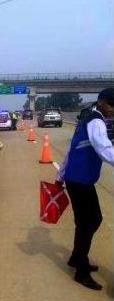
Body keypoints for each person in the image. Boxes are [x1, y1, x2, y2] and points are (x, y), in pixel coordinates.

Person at [56, 88, 114, 291]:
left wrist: (59, 175)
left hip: (78, 179)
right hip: (80, 180)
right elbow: (105, 148)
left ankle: (75, 258)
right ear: (102, 102)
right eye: (112, 104)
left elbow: (71, 148)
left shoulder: (87, 118)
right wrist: (60, 175)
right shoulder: (96, 121)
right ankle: (81, 271)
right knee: (89, 221)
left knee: (87, 221)